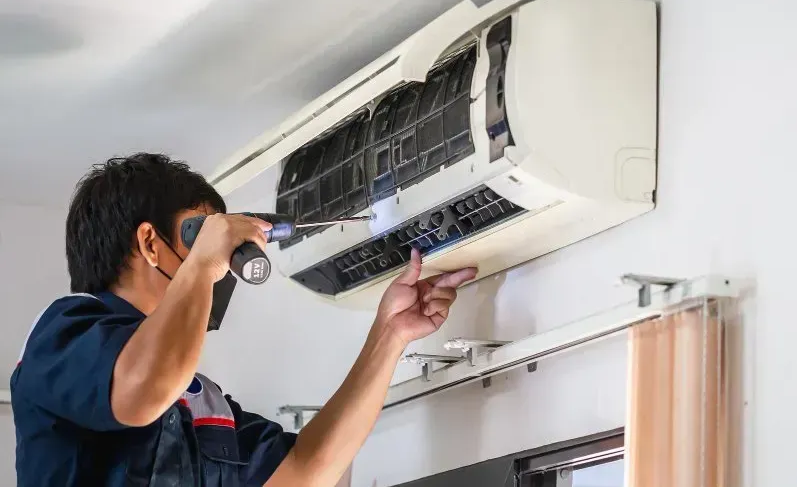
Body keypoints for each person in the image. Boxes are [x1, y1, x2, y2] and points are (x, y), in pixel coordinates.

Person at [9, 153, 477, 486]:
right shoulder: (63, 333)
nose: (221, 265)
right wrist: (203, 264)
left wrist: (389, 335)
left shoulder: (199, 400)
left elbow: (306, 471)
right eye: (200, 235)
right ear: (151, 244)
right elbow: (141, 392)